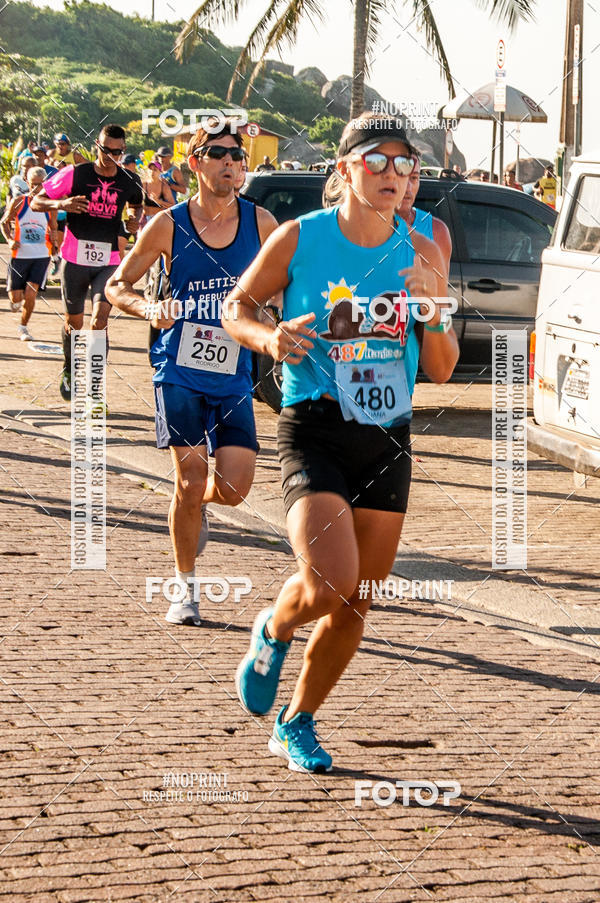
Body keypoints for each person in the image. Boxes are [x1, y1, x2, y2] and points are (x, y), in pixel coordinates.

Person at [222, 113, 459, 773]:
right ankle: (273, 627)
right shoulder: (300, 239)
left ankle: (296, 722)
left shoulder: (423, 249)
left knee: (358, 596)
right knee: (332, 580)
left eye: (404, 163)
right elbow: (236, 308)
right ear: (346, 168)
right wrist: (271, 339)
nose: (393, 174)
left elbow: (440, 366)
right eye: (377, 160)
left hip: (388, 433)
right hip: (315, 423)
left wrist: (435, 307)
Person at [106, 119, 278, 627]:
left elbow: (282, 288)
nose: (231, 162)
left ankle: (196, 505)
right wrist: (147, 308)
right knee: (190, 476)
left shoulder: (262, 223)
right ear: (195, 163)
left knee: (235, 487)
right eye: (219, 153)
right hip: (176, 368)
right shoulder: (167, 225)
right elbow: (118, 284)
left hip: (233, 374)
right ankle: (185, 588)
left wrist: (271, 317)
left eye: (238, 155)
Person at [31, 124, 143, 400]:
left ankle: (95, 388)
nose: (111, 156)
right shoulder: (76, 174)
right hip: (74, 259)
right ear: (97, 145)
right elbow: (36, 201)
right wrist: (62, 205)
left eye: (117, 152)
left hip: (108, 261)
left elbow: (137, 203)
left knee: (100, 321)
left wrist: (133, 219)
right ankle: (69, 368)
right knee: (75, 323)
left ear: (123, 150)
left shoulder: (129, 179)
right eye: (106, 150)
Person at [1, 166, 57, 341]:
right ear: (27, 183)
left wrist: (55, 246)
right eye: (33, 185)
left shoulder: (50, 206)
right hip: (20, 256)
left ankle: (23, 327)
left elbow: (54, 227)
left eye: (40, 185)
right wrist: (10, 240)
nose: (36, 189)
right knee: (15, 299)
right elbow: (4, 222)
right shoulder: (19, 202)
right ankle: (16, 303)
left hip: (41, 255)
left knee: (31, 291)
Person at [396, 154, 452, 281]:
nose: (408, 187)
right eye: (401, 176)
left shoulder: (437, 232)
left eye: (414, 178)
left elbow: (439, 298)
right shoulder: (361, 227)